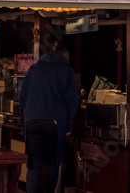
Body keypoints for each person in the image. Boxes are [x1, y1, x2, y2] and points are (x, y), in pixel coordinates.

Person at [18, 43, 79, 193]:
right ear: (65, 57)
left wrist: (23, 124)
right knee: (52, 164)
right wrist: (69, 126)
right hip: (54, 122)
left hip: (31, 122)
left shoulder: (34, 69)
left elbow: (21, 98)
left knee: (34, 165)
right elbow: (72, 100)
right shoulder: (66, 70)